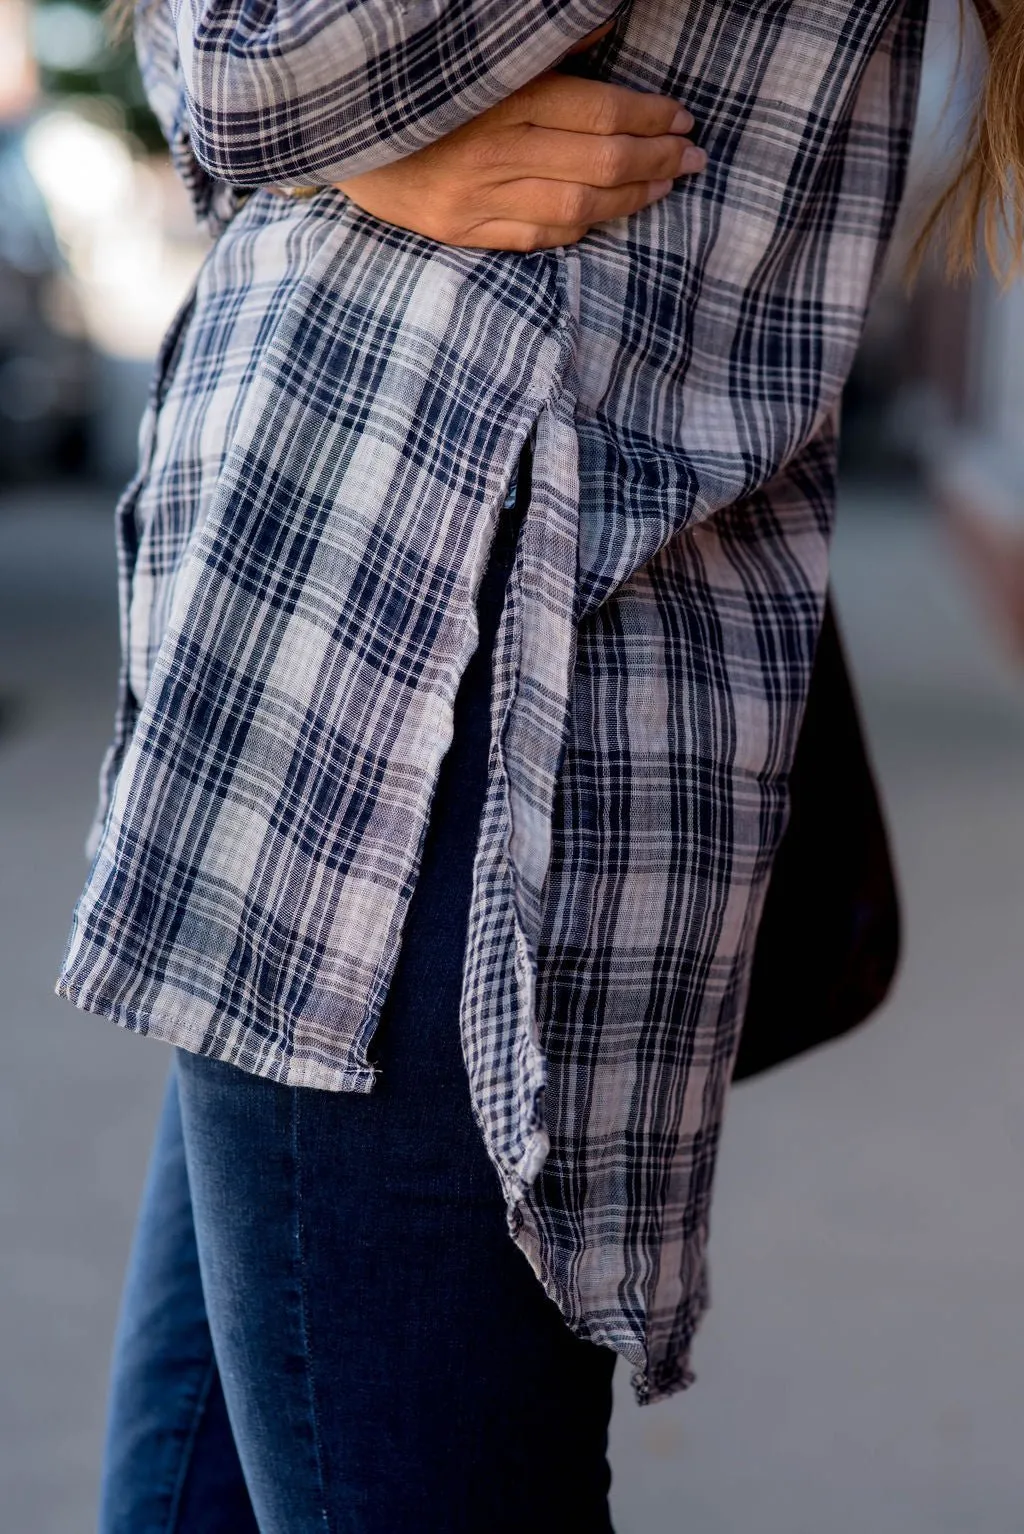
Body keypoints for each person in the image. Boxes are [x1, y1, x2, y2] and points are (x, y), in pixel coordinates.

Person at [57, 0, 1021, 1528]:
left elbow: (255, 61)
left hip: (431, 716)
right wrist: (349, 148)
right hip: (410, 688)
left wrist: (325, 143)